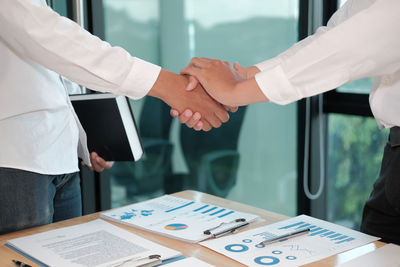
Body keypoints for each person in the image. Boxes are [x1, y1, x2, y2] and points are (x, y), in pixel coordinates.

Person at [176, 0, 400, 244]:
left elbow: (360, 41)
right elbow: (333, 37)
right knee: (378, 251)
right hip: (394, 155)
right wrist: (245, 76)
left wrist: (234, 92)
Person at [0, 0, 231, 234]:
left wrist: (83, 140)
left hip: (62, 160)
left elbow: (54, 68)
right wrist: (172, 87)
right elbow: (46, 36)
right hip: (15, 161)